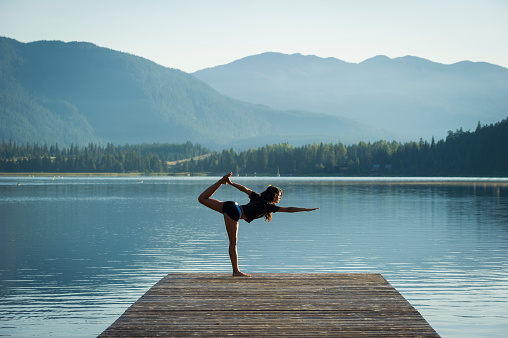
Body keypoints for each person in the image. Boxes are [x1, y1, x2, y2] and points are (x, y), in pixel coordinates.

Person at [198, 172, 318, 277]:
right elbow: (288, 209)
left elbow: (244, 189)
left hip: (232, 206)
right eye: (280, 196)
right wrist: (305, 209)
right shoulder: (267, 206)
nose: (280, 198)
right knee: (233, 243)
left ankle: (221, 182)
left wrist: (230, 183)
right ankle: (236, 271)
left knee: (202, 199)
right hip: (235, 212)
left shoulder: (258, 198)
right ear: (274, 196)